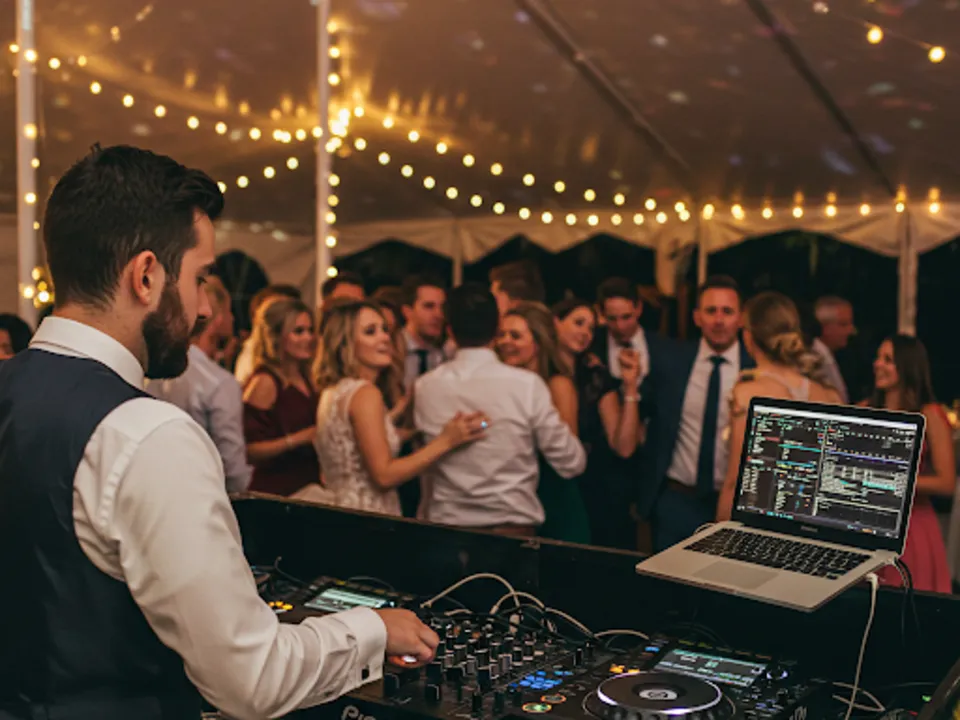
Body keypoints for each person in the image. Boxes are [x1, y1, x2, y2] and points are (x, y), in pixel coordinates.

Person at [0, 145, 437, 720]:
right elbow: (251, 680)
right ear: (146, 276)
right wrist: (372, 630)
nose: (205, 307)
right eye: (200, 277)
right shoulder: (147, 433)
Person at [414, 283, 586, 536]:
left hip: (446, 531)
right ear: (496, 329)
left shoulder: (426, 387)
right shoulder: (526, 385)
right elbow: (572, 462)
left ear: (449, 330)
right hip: (510, 533)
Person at [312, 301, 486, 515]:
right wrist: (447, 440)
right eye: (370, 332)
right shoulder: (365, 394)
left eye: (385, 329)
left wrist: (400, 417)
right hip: (367, 516)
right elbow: (383, 476)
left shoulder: (336, 391)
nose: (385, 337)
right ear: (345, 344)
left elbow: (356, 444)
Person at [641, 275, 753, 551]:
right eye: (711, 311)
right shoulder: (671, 360)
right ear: (697, 317)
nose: (718, 320)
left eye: (727, 311)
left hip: (735, 505)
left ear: (741, 318)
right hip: (677, 498)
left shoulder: (755, 371)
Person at [716, 291, 842, 521]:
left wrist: (720, 530)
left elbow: (735, 480)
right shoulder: (828, 394)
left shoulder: (748, 393)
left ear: (748, 337)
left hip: (763, 521)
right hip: (817, 522)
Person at [147, 275, 252, 492]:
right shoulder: (219, 383)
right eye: (229, 311)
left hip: (158, 483)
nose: (233, 318)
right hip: (206, 492)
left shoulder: (154, 370)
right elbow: (233, 471)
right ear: (218, 319)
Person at [497, 301, 591, 543]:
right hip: (516, 497)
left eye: (515, 335)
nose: (505, 341)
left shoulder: (558, 384)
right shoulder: (503, 385)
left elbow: (568, 451)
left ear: (538, 342)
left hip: (554, 495)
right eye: (501, 334)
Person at [868, 334, 953, 593]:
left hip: (912, 526)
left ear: (908, 366)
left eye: (888, 359)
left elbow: (946, 483)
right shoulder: (866, 409)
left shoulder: (930, 414)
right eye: (878, 357)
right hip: (870, 521)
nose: (877, 364)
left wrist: (894, 483)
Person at [552, 298, 640, 549]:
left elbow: (624, 447)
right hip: (551, 490)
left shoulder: (596, 376)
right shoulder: (539, 374)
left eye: (590, 328)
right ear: (556, 322)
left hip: (597, 489)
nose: (585, 333)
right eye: (578, 323)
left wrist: (630, 386)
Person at [243, 296, 321, 497]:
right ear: (277, 336)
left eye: (311, 330)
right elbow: (249, 450)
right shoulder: (265, 381)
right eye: (298, 331)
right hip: (277, 491)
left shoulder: (307, 376)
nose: (308, 338)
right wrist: (298, 439)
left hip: (308, 484)